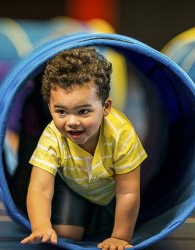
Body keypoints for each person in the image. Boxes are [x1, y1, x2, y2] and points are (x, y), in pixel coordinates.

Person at [20, 47, 147, 250]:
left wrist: (120, 237)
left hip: (112, 193)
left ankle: (99, 220)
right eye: (61, 111)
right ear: (50, 107)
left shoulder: (121, 134)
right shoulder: (53, 136)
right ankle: (86, 219)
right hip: (74, 188)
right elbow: (40, 188)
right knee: (65, 237)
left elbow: (128, 192)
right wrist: (41, 225)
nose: (72, 122)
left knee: (123, 228)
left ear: (105, 107)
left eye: (83, 111)